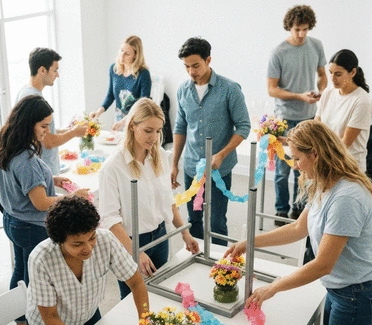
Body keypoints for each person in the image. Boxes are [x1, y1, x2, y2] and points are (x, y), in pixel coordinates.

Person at [225, 120, 372, 325]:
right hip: (341, 293)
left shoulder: (347, 197)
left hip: (359, 297)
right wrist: (248, 242)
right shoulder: (323, 184)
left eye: (298, 158)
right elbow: (297, 229)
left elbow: (323, 263)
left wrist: (273, 287)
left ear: (315, 154)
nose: (296, 166)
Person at [0, 95, 89, 325]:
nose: (48, 132)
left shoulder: (5, 145)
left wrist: (50, 178)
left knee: (20, 271)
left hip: (12, 221)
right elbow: (41, 202)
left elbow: (24, 186)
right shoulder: (25, 160)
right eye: (44, 126)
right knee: (36, 280)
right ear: (28, 124)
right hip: (31, 226)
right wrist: (71, 198)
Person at [26, 196, 149, 325]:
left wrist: (144, 323)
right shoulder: (41, 259)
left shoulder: (105, 239)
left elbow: (136, 283)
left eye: (91, 238)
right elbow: (50, 316)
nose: (88, 248)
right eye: (77, 244)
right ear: (59, 240)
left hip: (88, 317)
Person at [99, 98, 199, 299]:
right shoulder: (113, 167)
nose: (154, 137)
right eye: (148, 130)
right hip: (130, 242)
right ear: (132, 126)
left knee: (161, 295)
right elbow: (109, 219)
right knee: (132, 300)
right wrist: (136, 251)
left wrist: (184, 232)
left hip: (161, 236)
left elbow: (168, 200)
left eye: (158, 130)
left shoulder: (160, 155)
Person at [171, 37, 250, 246]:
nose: (191, 72)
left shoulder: (230, 89)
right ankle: (196, 261)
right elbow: (180, 127)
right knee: (194, 219)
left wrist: (222, 154)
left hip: (219, 168)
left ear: (208, 60)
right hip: (191, 166)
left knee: (217, 222)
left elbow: (244, 126)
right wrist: (174, 164)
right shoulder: (183, 90)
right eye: (186, 67)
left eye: (196, 65)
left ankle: (220, 270)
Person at [267, 5, 327, 224]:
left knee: (304, 168)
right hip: (284, 117)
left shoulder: (316, 46)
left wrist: (320, 91)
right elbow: (272, 89)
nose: (301, 34)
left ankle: (299, 209)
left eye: (305, 29)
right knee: (284, 169)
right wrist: (300, 96)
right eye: (297, 30)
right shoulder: (278, 52)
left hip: (309, 117)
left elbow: (322, 75)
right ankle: (281, 210)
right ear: (289, 27)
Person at [16, 47, 88, 175]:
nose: (57, 75)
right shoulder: (34, 99)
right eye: (55, 70)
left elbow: (45, 131)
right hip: (44, 171)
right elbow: (48, 141)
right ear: (42, 70)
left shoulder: (24, 92)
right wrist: (74, 132)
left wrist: (71, 129)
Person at [315, 49, 372, 172]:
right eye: (330, 73)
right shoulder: (328, 92)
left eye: (338, 74)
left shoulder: (362, 101)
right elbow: (316, 128)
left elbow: (344, 144)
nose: (332, 79)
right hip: (326, 161)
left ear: (352, 72)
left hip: (349, 168)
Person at [90, 35, 152, 131]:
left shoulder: (143, 74)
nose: (122, 55)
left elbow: (143, 105)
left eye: (127, 53)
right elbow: (110, 95)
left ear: (136, 55)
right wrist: (99, 111)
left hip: (137, 118)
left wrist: (123, 122)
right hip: (119, 116)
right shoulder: (114, 69)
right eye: (121, 50)